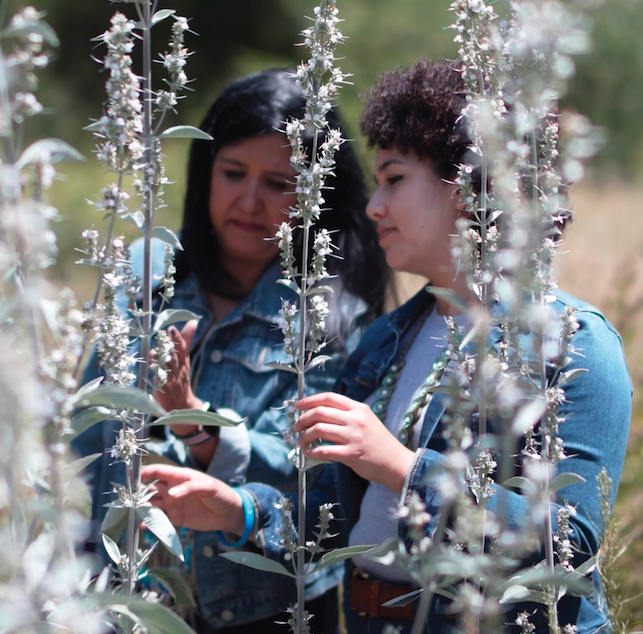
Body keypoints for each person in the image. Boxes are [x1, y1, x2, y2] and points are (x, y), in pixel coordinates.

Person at [140, 60, 632, 633]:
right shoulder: (386, 340)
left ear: (470, 184)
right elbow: (323, 518)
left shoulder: (572, 342)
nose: (374, 205)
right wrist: (238, 510)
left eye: (394, 179)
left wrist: (405, 467)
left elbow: (566, 544)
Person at [71, 69, 389, 633]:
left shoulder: (335, 319)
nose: (250, 201)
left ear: (318, 193)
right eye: (233, 173)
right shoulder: (148, 287)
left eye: (278, 183)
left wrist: (197, 424)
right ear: (204, 175)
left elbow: (310, 473)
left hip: (263, 611)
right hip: (125, 600)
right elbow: (90, 446)